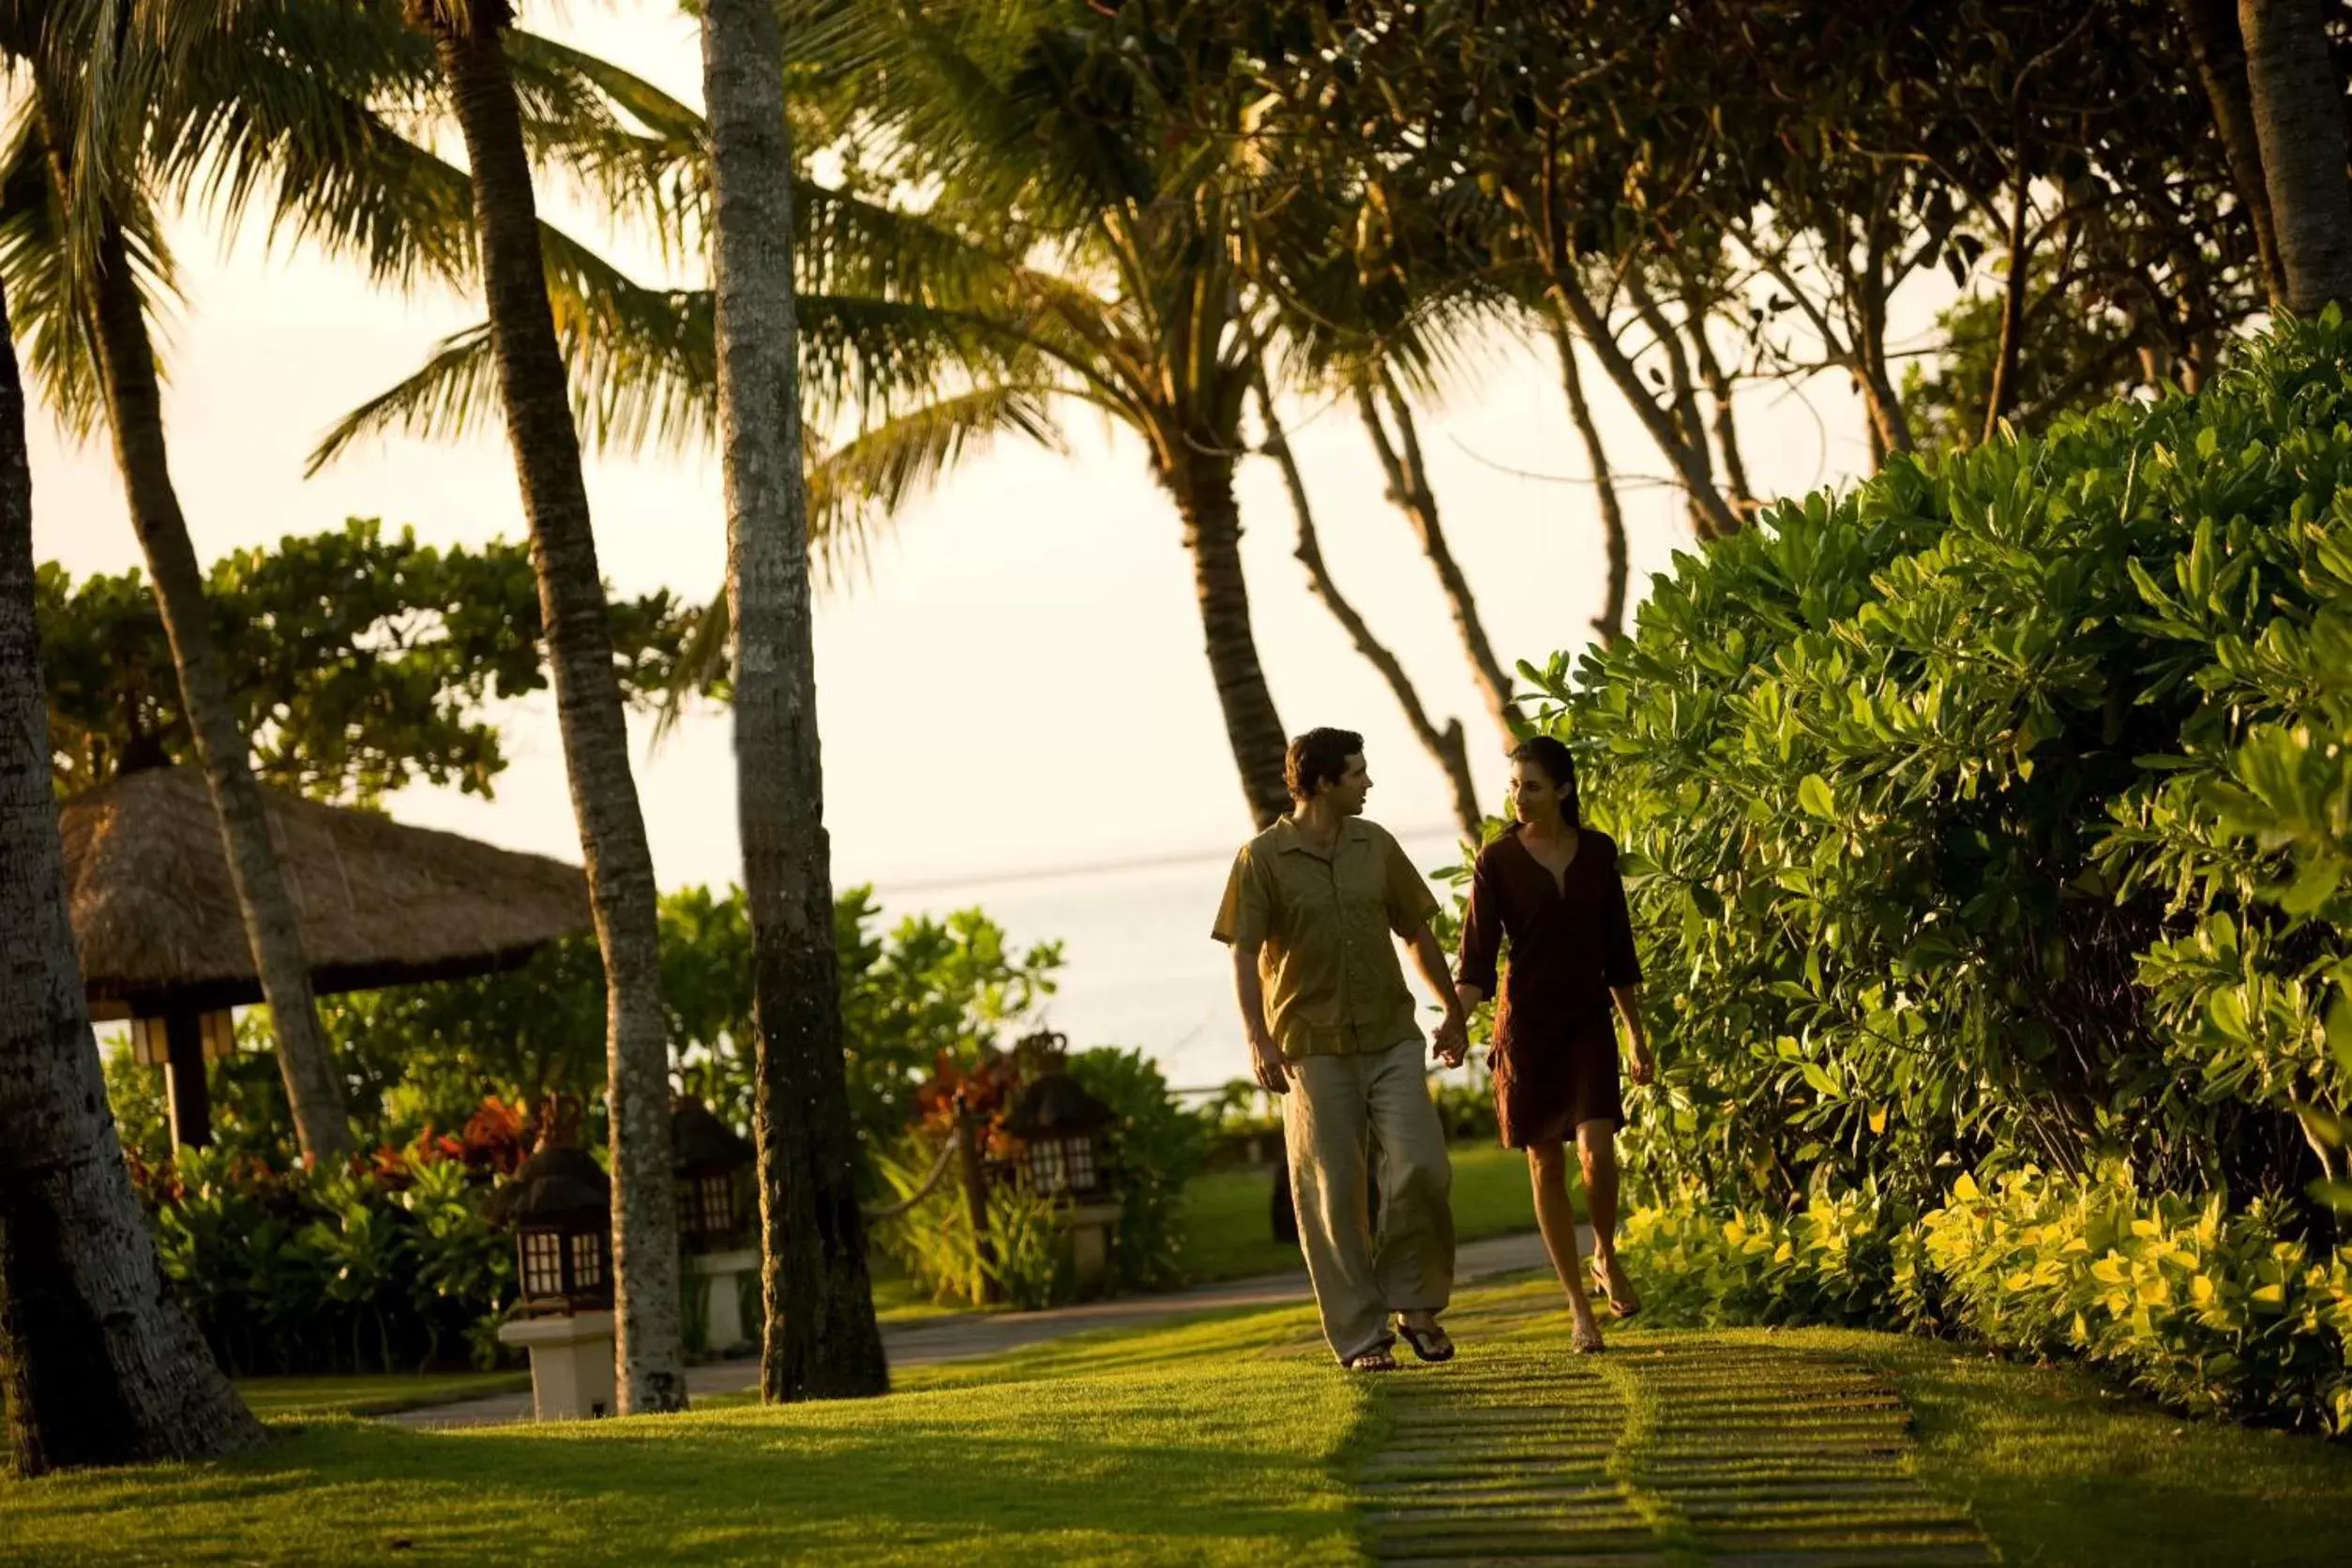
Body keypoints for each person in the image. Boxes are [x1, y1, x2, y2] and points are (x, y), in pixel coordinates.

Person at [1214, 728, 1470, 1372]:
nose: (1368, 782)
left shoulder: (1375, 844)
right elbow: (1244, 955)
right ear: (1324, 782)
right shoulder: (1261, 859)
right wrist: (1256, 1036)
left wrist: (1453, 1011)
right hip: (1311, 1051)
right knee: (1334, 1195)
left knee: (1423, 1168)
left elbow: (1415, 930)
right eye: (1358, 773)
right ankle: (1363, 1339)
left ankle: (1415, 1305)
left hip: (1389, 1037)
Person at [1453, 735, 1652, 1353]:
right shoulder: (1497, 860)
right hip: (1527, 1029)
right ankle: (1577, 1308)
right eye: (1513, 785)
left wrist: (1637, 1037)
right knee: (1546, 1163)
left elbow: (1620, 954)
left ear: (1563, 789)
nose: (1518, 796)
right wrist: (1454, 1024)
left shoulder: (1597, 853)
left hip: (1588, 1020)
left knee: (1597, 1149)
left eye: (1531, 786)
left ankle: (1605, 1253)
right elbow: (1477, 963)